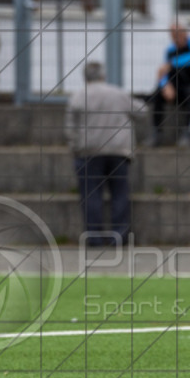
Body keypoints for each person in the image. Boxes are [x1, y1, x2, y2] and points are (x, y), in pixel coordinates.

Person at [65, 61, 148, 247]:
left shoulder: (77, 97)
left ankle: (94, 237)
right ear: (103, 75)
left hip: (89, 151)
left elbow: (71, 129)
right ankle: (118, 237)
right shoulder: (118, 93)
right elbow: (142, 111)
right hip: (119, 151)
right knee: (120, 193)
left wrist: (75, 149)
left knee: (91, 195)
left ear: (85, 76)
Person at [148, 22, 190, 147]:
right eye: (173, 33)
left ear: (185, 33)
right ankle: (156, 133)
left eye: (178, 32)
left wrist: (172, 64)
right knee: (159, 92)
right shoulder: (170, 51)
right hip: (183, 90)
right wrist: (165, 85)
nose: (176, 36)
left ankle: (188, 134)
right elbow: (164, 71)